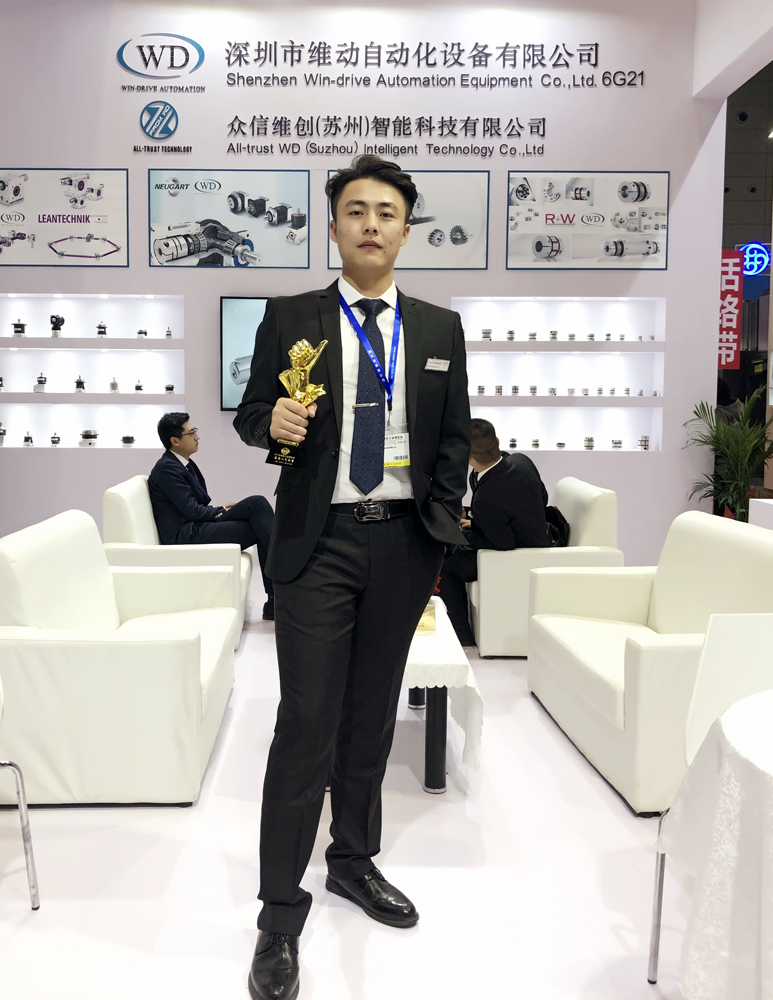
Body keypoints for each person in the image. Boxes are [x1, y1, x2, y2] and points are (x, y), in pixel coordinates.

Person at [234, 155, 470, 1000]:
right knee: (306, 723)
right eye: (356, 210)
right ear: (333, 226)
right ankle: (278, 915)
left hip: (403, 543)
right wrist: (272, 420)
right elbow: (251, 413)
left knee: (371, 718)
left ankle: (353, 861)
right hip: (319, 541)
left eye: (387, 212)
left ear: (406, 229)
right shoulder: (292, 315)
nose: (372, 223)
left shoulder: (439, 329)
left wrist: (438, 528)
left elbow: (453, 439)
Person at [147, 412, 276, 620]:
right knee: (257, 507)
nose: (197, 437)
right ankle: (278, 596)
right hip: (186, 535)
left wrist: (221, 508)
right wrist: (222, 510)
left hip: (195, 526)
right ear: (175, 441)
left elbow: (195, 507)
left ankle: (275, 599)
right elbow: (193, 511)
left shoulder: (182, 463)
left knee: (258, 514)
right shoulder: (167, 468)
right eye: (191, 433)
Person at [437, 418, 550, 645]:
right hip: (538, 537)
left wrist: (462, 534)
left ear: (466, 457)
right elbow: (542, 499)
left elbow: (502, 543)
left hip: (517, 558)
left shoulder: (487, 498)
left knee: (445, 561)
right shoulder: (521, 461)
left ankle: (461, 635)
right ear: (497, 441)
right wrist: (476, 522)